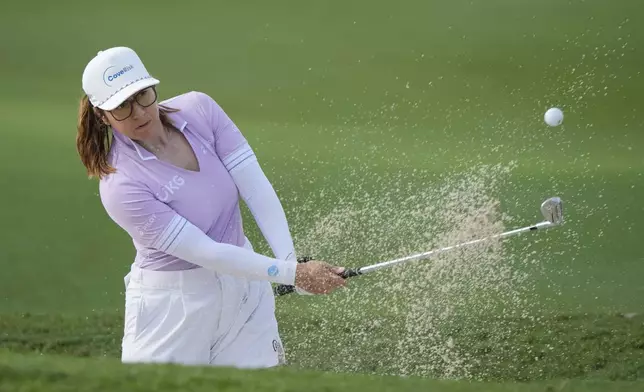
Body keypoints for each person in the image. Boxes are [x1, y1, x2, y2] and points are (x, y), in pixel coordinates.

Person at [75, 46, 347, 368]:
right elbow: (206, 251)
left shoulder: (200, 110)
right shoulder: (120, 185)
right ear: (101, 115)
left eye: (142, 95)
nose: (138, 113)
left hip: (245, 280)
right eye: (121, 107)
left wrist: (289, 265)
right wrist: (293, 273)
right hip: (174, 307)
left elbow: (256, 189)